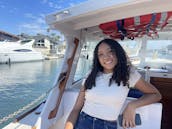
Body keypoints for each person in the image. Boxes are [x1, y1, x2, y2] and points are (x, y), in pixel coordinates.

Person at [64, 38, 162, 129]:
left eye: (110, 51)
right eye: (100, 54)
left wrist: (132, 105)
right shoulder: (91, 73)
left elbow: (156, 95)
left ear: (117, 52)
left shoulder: (129, 74)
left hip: (106, 125)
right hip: (83, 122)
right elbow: (76, 108)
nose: (106, 57)